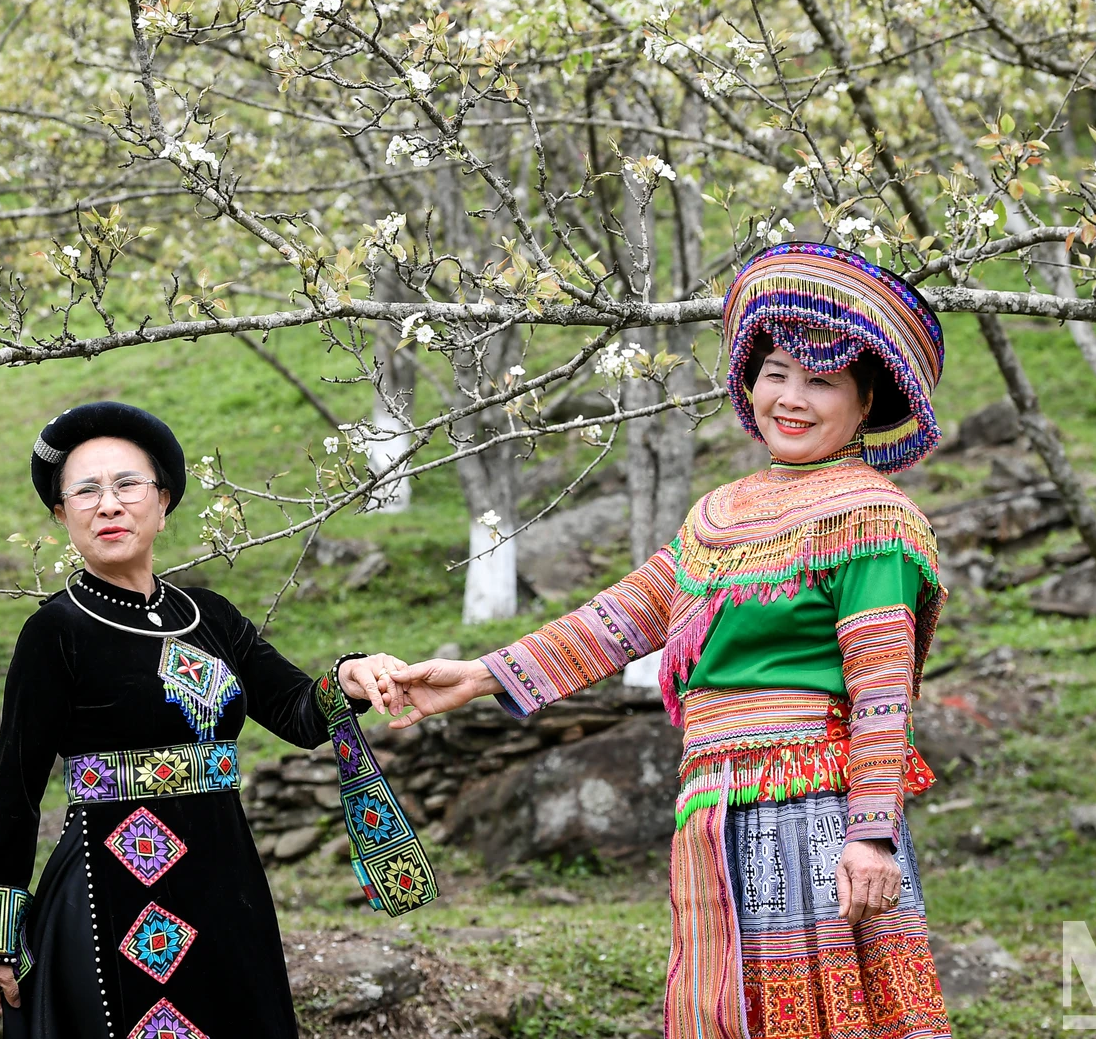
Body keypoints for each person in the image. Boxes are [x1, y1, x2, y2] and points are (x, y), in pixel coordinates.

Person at [388, 243, 955, 1039]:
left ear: (866, 402)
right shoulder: (718, 515)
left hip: (814, 810)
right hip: (714, 804)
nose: (790, 398)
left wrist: (871, 835)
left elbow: (882, 691)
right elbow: (616, 619)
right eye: (777, 372)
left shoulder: (871, 518)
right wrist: (480, 676)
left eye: (821, 380)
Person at [0, 401, 424, 1039]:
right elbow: (14, 789)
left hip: (223, 876)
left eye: (127, 484)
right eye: (86, 491)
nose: (109, 504)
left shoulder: (209, 616)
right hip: (115, 889)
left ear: (163, 500)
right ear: (61, 513)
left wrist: (348, 679)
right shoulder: (55, 632)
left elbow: (298, 712)